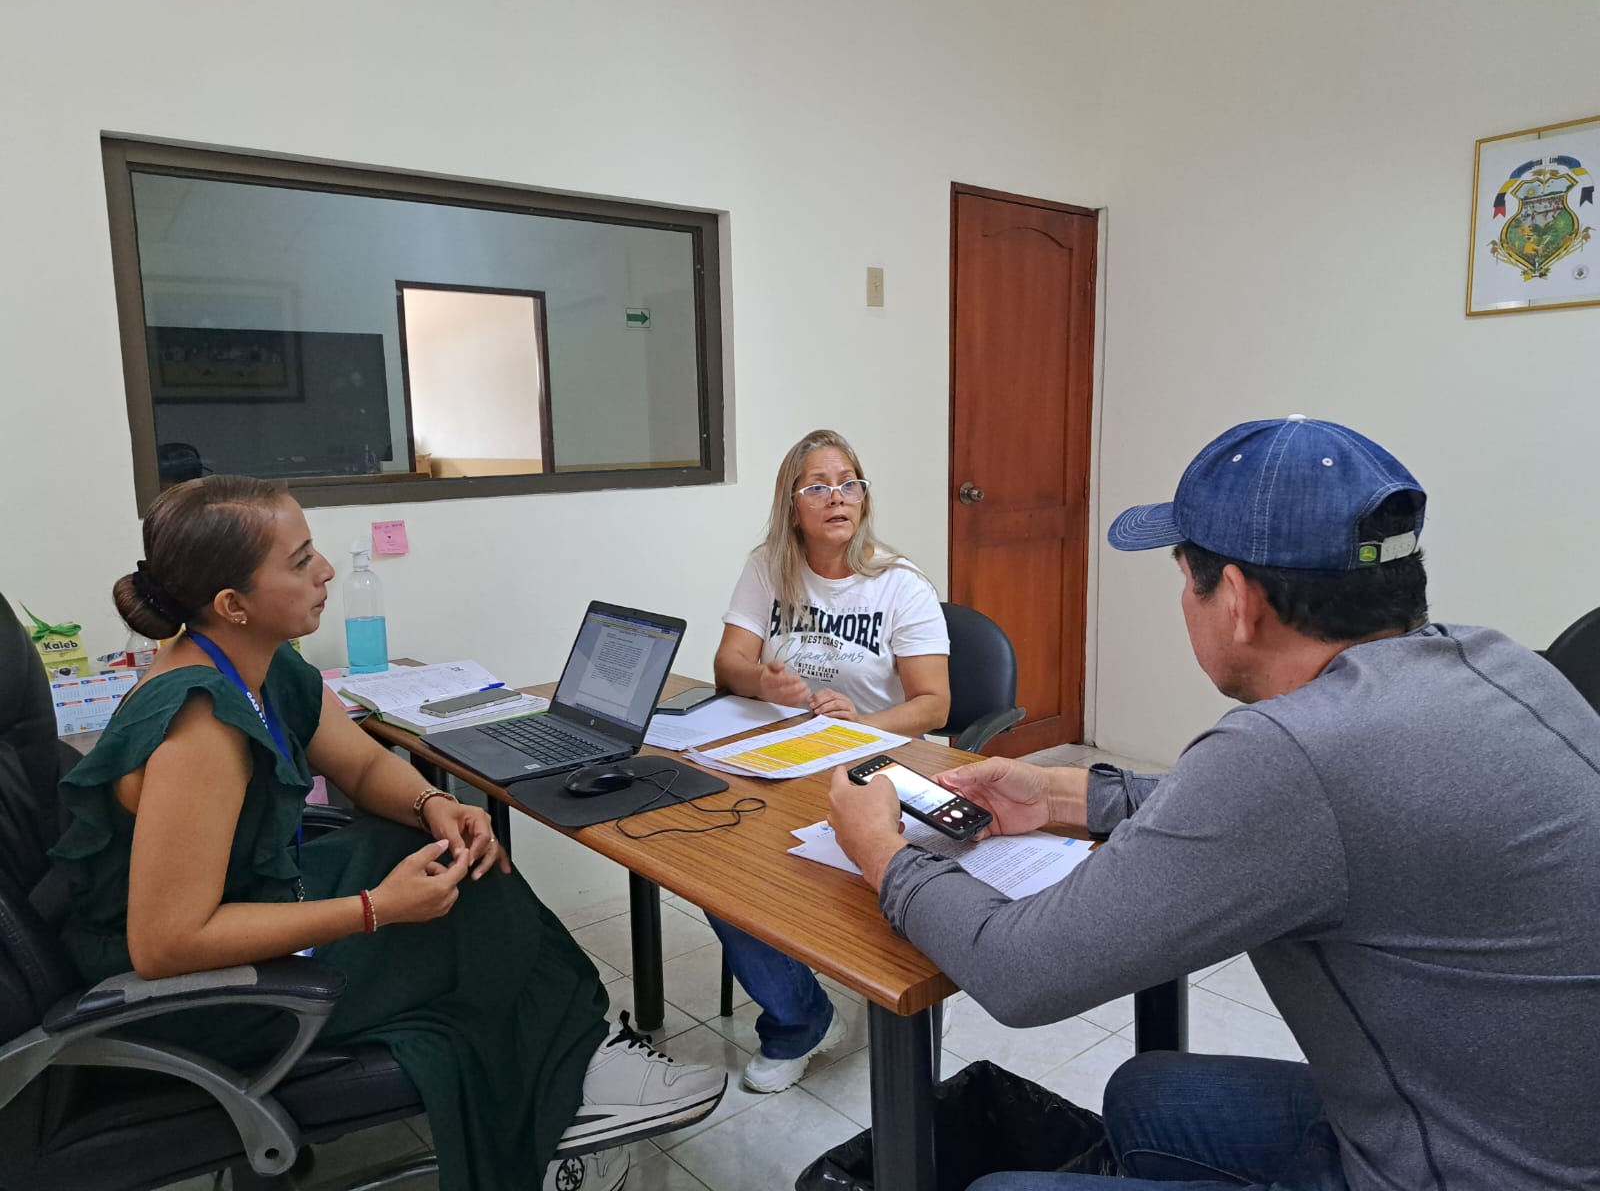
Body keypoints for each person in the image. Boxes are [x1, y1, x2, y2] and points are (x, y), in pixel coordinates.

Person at [827, 416, 1600, 1190]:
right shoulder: (1505, 665)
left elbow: (1019, 973)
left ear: (1234, 599)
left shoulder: (1288, 753)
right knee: (1148, 1092)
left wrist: (881, 852)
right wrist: (1064, 791)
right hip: (1504, 1124)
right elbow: (1309, 815)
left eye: (1183, 577)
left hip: (1454, 1170)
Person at [49, 476, 725, 1191]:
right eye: (300, 561)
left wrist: (433, 803)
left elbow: (366, 765)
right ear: (232, 604)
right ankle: (571, 1090)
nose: (326, 571)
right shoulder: (200, 728)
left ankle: (580, 1065)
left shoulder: (262, 663)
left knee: (455, 863)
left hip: (247, 903)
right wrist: (376, 910)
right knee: (472, 940)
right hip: (199, 995)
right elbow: (167, 944)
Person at [707, 428, 951, 1091]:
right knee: (716, 864)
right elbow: (728, 664)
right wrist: (765, 683)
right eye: (817, 487)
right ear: (792, 506)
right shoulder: (769, 567)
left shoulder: (900, 584)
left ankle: (817, 1016)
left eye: (849, 484)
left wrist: (860, 725)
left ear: (863, 498)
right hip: (791, 754)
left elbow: (934, 705)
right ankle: (805, 1018)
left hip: (877, 764)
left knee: (802, 869)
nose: (837, 497)